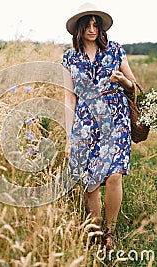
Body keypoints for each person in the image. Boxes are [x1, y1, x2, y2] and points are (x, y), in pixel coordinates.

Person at [62, 2, 137, 250]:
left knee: (114, 175)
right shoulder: (69, 57)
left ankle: (109, 234)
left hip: (115, 118)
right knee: (90, 181)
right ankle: (94, 235)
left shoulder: (115, 50)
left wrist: (123, 79)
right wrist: (68, 137)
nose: (92, 29)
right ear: (79, 29)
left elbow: (133, 86)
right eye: (88, 25)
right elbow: (69, 97)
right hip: (84, 122)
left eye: (96, 25)